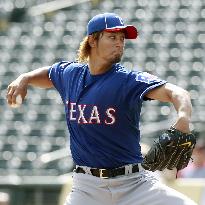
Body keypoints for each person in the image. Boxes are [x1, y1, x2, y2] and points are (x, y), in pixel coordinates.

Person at [7, 13, 197, 205]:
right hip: (86, 188)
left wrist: (183, 116)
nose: (119, 43)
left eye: (122, 38)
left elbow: (177, 93)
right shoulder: (70, 74)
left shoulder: (128, 80)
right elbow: (49, 74)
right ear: (92, 40)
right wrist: (25, 78)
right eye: (112, 37)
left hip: (134, 184)